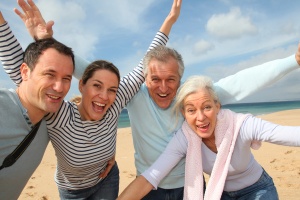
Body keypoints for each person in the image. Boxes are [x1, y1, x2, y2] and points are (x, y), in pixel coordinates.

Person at [0, 0, 182, 199]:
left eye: (112, 89)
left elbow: (145, 64)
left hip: (106, 180)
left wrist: (169, 21)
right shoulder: (61, 115)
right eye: (97, 86)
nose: (104, 96)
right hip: (72, 190)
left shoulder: (115, 103)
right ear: (81, 85)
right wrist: (12, 31)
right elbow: (29, 78)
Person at [124, 30, 300, 198]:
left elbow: (244, 81)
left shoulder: (230, 118)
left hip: (243, 187)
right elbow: (151, 176)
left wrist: (294, 60)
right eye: (191, 110)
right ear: (183, 112)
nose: (200, 117)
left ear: (217, 105)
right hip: (217, 191)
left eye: (170, 79)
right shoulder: (185, 135)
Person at [0, 11, 75, 200]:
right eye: (50, 74)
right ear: (24, 72)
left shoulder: (51, 119)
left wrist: (45, 40)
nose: (59, 87)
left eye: (66, 78)